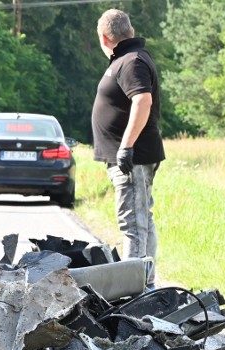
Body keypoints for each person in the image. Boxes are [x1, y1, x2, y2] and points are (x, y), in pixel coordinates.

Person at [91, 8, 164, 289]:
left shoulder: (131, 61)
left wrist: (125, 147)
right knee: (142, 218)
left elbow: (142, 101)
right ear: (130, 32)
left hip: (132, 158)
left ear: (104, 37)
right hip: (133, 157)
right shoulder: (127, 59)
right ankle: (145, 283)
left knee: (133, 224)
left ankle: (134, 293)